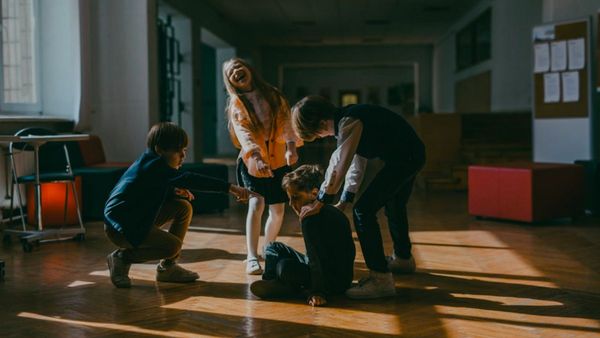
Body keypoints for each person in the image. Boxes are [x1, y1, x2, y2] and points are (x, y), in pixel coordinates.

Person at [291, 96, 425, 299]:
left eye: (317, 135)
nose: (322, 137)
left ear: (318, 124)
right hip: (411, 154)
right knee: (395, 204)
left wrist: (320, 201)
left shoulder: (349, 122)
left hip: (405, 157)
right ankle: (403, 259)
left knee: (363, 211)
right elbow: (356, 163)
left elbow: (339, 163)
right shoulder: (351, 119)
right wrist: (345, 199)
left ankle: (380, 279)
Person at [104, 122, 256, 288]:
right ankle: (121, 258)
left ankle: (167, 269)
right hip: (121, 228)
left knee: (183, 207)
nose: (183, 156)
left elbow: (143, 191)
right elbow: (190, 178)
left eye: (184, 150)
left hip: (135, 218)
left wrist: (171, 192)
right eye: (178, 151)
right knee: (172, 246)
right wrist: (230, 187)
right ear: (160, 149)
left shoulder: (150, 162)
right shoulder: (153, 166)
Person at [223, 57, 301, 275]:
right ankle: (251, 255)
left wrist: (291, 147)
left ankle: (269, 248)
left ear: (249, 69)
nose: (236, 71)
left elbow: (287, 122)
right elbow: (244, 133)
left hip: (278, 159)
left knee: (277, 210)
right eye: (231, 72)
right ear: (231, 82)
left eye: (239, 66)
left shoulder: (273, 94)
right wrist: (255, 156)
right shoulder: (236, 104)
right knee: (256, 205)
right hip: (252, 161)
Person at [250, 165, 355, 307]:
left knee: (283, 266)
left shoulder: (310, 218)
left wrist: (317, 292)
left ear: (314, 193)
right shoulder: (331, 210)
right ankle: (272, 283)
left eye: (296, 197)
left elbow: (314, 258)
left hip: (331, 281)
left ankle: (284, 286)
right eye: (290, 199)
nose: (292, 204)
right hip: (339, 277)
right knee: (272, 247)